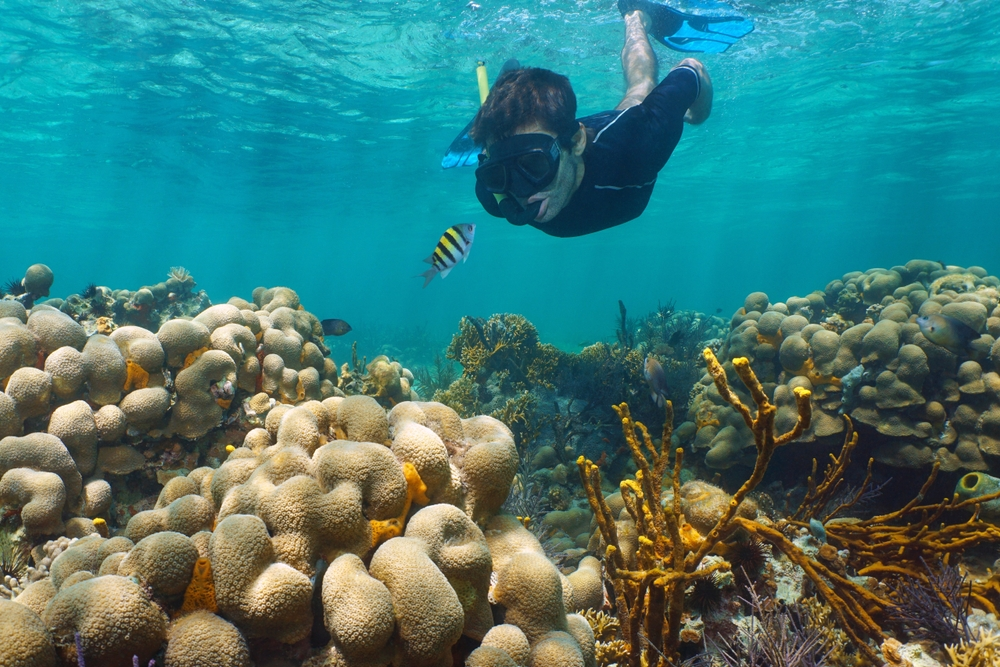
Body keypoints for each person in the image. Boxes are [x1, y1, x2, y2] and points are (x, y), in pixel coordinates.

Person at [470, 1, 716, 237]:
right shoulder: (497, 194)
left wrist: (695, 116)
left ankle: (635, 16)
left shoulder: (639, 141)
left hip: (616, 136)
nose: (522, 192)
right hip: (564, 135)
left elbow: (693, 69)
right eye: (498, 173)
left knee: (640, 88)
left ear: (577, 142)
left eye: (534, 165)